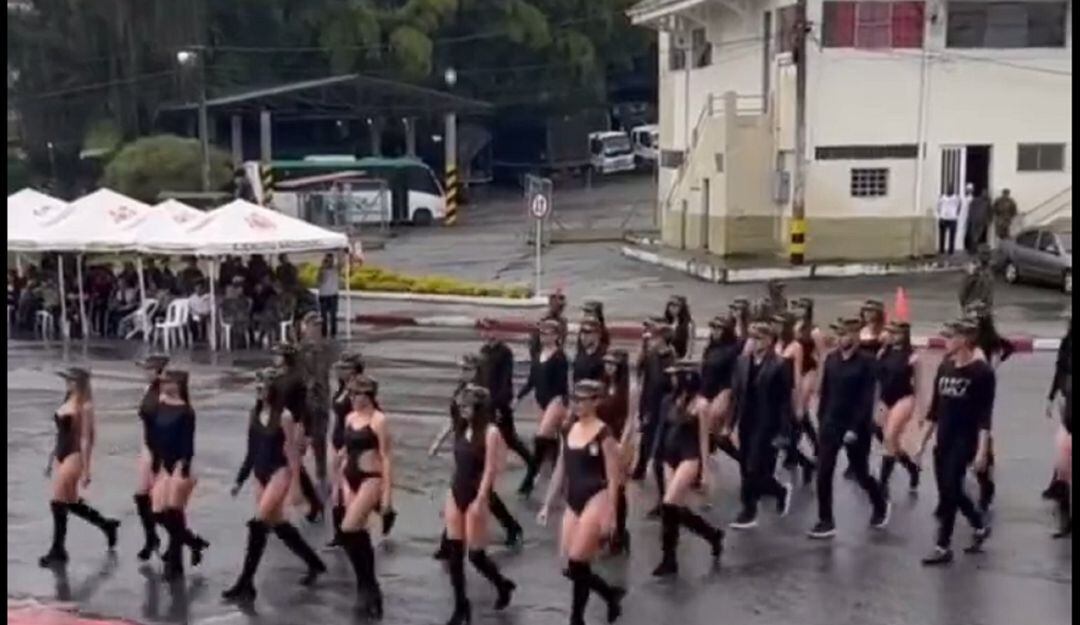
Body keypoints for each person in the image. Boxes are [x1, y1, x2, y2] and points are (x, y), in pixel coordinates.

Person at [223, 368, 327, 602]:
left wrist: (296, 485)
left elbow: (291, 453)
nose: (260, 393)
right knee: (277, 523)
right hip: (259, 471)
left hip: (279, 471)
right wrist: (239, 480)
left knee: (258, 523)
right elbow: (251, 451)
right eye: (257, 389)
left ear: (273, 391)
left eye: (264, 388)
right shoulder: (254, 413)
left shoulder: (284, 416)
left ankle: (246, 581)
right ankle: (314, 562)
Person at [538, 379, 626, 625]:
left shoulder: (604, 434)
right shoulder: (568, 429)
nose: (576, 404)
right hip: (573, 499)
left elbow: (613, 478)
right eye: (574, 399)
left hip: (596, 498)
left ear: (596, 401)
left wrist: (612, 515)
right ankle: (610, 596)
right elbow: (561, 468)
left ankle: (577, 619)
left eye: (583, 400)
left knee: (578, 560)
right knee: (570, 566)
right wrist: (547, 503)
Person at [915, 319, 993, 566]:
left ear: (964, 340)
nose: (946, 341)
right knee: (951, 490)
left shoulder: (981, 372)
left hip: (965, 440)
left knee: (949, 491)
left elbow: (985, 417)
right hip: (944, 438)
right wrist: (922, 443)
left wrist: (982, 451)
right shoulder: (945, 366)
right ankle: (979, 524)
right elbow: (934, 411)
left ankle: (942, 546)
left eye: (950, 337)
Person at [431, 354, 524, 556]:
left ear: (475, 370)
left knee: (476, 492)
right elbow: (453, 419)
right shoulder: (460, 391)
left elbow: (488, 426)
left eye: (466, 369)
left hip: (477, 449)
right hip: (462, 444)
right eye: (461, 369)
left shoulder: (480, 396)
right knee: (462, 490)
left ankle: (449, 543)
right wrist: (439, 441)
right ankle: (451, 541)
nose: (462, 372)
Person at [806, 318, 890, 539]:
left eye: (846, 333)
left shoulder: (867, 362)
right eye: (839, 333)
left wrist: (854, 428)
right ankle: (826, 519)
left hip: (856, 426)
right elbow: (825, 391)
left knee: (861, 472)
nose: (842, 337)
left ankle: (880, 504)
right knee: (823, 471)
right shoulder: (832, 359)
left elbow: (866, 398)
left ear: (855, 335)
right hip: (831, 422)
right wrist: (821, 417)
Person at [441, 385, 517, 624]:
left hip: (476, 494)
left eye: (466, 406)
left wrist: (481, 499)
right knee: (454, 553)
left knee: (475, 556)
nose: (461, 410)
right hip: (456, 490)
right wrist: (449, 493)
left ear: (479, 407)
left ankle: (502, 585)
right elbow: (458, 464)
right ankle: (460, 604)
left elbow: (490, 469)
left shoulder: (491, 432)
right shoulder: (462, 428)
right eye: (460, 406)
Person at [39, 368, 121, 567]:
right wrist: (51, 460)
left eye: (72, 380)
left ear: (80, 383)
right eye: (67, 380)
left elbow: (86, 438)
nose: (68, 383)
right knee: (69, 502)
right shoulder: (67, 399)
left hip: (74, 455)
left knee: (58, 502)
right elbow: (59, 434)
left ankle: (58, 550)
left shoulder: (85, 405)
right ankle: (106, 525)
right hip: (61, 453)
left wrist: (86, 469)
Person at [652, 364, 724, 576]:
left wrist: (705, 471)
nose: (673, 380)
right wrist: (655, 457)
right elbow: (662, 429)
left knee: (668, 504)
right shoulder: (670, 400)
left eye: (676, 376)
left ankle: (669, 558)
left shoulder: (701, 405)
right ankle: (712, 535)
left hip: (689, 456)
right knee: (675, 509)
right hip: (669, 456)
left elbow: (704, 439)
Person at [337, 375, 394, 618]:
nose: (351, 399)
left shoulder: (379, 420)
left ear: (368, 396)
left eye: (355, 394)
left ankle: (367, 585)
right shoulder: (350, 418)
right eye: (349, 394)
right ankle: (368, 586)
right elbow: (346, 451)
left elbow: (388, 458)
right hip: (351, 478)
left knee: (348, 529)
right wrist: (339, 479)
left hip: (371, 477)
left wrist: (387, 496)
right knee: (357, 534)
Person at [728, 322, 794, 529]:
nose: (753, 342)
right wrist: (730, 424)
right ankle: (779, 491)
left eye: (758, 338)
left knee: (754, 467)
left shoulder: (780, 364)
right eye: (751, 337)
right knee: (745, 467)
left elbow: (785, 401)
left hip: (767, 423)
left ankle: (749, 511)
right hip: (746, 420)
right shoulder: (742, 362)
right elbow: (736, 396)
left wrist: (784, 431)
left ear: (768, 340)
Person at [148, 370, 208, 578]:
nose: (164, 385)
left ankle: (175, 565)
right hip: (164, 463)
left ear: (179, 384)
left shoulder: (186, 411)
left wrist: (184, 465)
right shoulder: (160, 405)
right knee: (156, 512)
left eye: (168, 382)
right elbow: (153, 433)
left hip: (181, 464)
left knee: (174, 512)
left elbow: (187, 443)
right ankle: (193, 542)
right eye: (163, 381)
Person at [476, 318, 535, 496]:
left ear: (497, 331)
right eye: (483, 330)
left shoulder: (505, 352)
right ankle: (483, 483)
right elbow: (480, 377)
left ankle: (532, 466)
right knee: (483, 442)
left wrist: (501, 405)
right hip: (485, 405)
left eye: (490, 330)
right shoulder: (483, 351)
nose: (486, 334)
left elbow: (505, 381)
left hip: (499, 405)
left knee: (511, 441)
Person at [516, 318, 570, 496]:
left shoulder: (560, 357)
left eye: (547, 333)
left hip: (555, 401)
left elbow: (562, 386)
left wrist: (562, 406)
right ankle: (559, 474)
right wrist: (518, 397)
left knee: (540, 438)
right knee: (552, 441)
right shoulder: (538, 355)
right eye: (541, 333)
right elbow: (532, 380)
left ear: (556, 336)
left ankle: (529, 478)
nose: (543, 337)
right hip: (540, 401)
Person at [271, 342, 323, 522]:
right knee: (288, 465)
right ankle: (312, 501)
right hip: (279, 424)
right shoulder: (277, 377)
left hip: (293, 425)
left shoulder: (296, 380)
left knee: (292, 465)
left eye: (277, 355)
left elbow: (304, 408)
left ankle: (311, 501)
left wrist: (304, 431)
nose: (274, 358)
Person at [876, 321, 922, 499]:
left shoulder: (912, 356)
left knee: (889, 437)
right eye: (890, 332)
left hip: (904, 398)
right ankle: (912, 468)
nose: (892, 336)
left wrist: (921, 412)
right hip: (885, 398)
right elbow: (878, 380)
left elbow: (919, 386)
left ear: (904, 335)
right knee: (890, 441)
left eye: (896, 333)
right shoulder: (883, 353)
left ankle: (882, 483)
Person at [328, 352, 365, 548]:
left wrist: (346, 447)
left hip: (349, 445)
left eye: (344, 368)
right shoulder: (343, 388)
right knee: (337, 491)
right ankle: (340, 534)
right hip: (337, 440)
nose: (339, 371)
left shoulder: (358, 392)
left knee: (346, 490)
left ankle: (352, 531)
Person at [598, 348, 633, 555]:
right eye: (607, 363)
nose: (608, 367)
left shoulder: (630, 388)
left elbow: (631, 417)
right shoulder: (601, 385)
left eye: (613, 364)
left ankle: (620, 531)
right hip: (604, 437)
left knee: (618, 487)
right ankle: (607, 528)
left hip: (620, 438)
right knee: (603, 484)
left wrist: (623, 442)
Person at [774, 312, 815, 484]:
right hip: (774, 391)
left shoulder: (795, 347)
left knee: (785, 437)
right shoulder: (776, 343)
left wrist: (799, 403)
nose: (776, 327)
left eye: (779, 324)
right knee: (774, 435)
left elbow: (797, 375)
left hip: (788, 392)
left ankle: (806, 463)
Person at [700, 313, 743, 465]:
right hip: (706, 392)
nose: (715, 331)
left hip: (722, 392)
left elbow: (735, 376)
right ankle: (743, 461)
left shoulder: (733, 349)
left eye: (719, 328)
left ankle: (744, 461)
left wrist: (727, 395)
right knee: (710, 435)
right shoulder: (711, 347)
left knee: (712, 433)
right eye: (713, 328)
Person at [299, 311, 334, 489]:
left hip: (321, 401)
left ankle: (321, 475)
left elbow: (325, 373)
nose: (317, 328)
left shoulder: (326, 348)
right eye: (313, 325)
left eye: (319, 325)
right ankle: (296, 474)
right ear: (305, 327)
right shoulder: (300, 349)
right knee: (300, 440)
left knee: (319, 439)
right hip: (304, 402)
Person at [1045, 317, 1072, 537]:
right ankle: (1065, 521)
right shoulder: (1067, 342)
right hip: (1069, 409)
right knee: (1064, 467)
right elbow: (1060, 369)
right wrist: (1052, 396)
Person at [959, 246, 995, 312]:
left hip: (986, 308)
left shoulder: (988, 270)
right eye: (984, 253)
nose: (987, 256)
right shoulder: (972, 269)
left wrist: (989, 304)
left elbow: (990, 290)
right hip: (973, 307)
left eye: (988, 253)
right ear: (978, 255)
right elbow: (963, 289)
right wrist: (964, 305)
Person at [573, 317, 607, 383]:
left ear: (597, 334)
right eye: (581, 333)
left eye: (588, 333)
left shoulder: (603, 356)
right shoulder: (580, 354)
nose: (583, 337)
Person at [663, 295, 695, 359]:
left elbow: (690, 345)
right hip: (665, 356)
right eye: (670, 305)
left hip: (679, 357)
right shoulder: (667, 322)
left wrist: (686, 359)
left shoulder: (688, 324)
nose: (672, 308)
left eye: (675, 306)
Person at [317, 254, 340, 338]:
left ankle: (333, 333)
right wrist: (323, 268)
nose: (329, 262)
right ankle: (324, 333)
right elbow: (319, 280)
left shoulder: (336, 269)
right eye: (327, 260)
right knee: (324, 316)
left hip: (333, 295)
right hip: (323, 295)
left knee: (333, 315)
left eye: (331, 260)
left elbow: (342, 263)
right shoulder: (321, 270)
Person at [937, 186, 961, 255]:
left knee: (952, 236)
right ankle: (941, 250)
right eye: (948, 189)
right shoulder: (942, 198)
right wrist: (941, 214)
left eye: (951, 189)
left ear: (953, 190)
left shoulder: (956, 198)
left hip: (952, 219)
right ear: (946, 190)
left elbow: (959, 206)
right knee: (942, 235)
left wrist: (956, 214)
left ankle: (951, 251)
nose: (949, 190)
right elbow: (938, 206)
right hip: (943, 218)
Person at [965, 188, 991, 252]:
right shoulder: (975, 200)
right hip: (975, 220)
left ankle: (975, 248)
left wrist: (988, 220)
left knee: (978, 235)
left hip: (982, 221)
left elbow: (989, 211)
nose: (985, 194)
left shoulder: (987, 202)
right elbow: (970, 209)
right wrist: (970, 218)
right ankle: (972, 249)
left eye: (986, 193)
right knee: (973, 235)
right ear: (981, 193)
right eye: (984, 193)